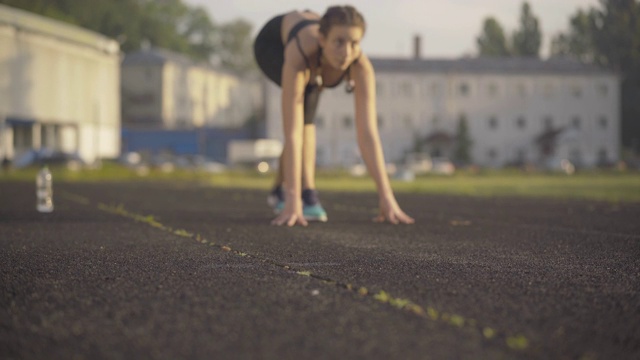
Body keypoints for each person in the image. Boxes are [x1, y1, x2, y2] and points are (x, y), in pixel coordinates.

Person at [253, 5, 414, 227]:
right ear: (322, 40)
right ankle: (304, 193)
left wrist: (387, 198)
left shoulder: (360, 66)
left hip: (312, 40)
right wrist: (293, 201)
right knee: (304, 111)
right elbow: (292, 134)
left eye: (354, 43)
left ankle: (284, 191)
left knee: (309, 105)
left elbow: (368, 134)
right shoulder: (300, 54)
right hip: (271, 44)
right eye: (339, 42)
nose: (347, 52)